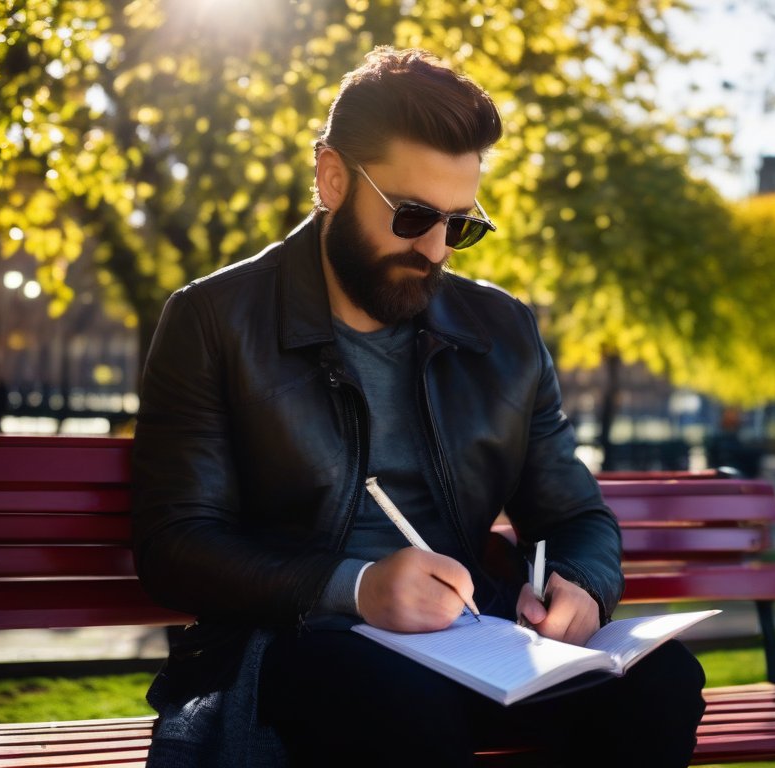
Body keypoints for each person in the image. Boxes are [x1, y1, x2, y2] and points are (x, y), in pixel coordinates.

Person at [131, 47, 705, 767]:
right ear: (333, 178)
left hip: (477, 640)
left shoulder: (503, 332)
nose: (435, 249)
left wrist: (583, 588)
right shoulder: (213, 320)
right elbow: (176, 544)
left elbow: (576, 516)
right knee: (399, 703)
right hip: (293, 639)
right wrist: (358, 587)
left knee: (662, 682)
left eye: (460, 225)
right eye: (412, 216)